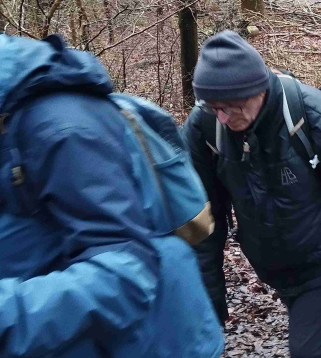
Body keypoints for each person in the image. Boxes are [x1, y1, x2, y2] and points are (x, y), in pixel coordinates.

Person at [0, 34, 224, 358]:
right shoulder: (18, 124)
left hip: (154, 341)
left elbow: (126, 272)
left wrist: (10, 317)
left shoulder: (65, 130)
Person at [183, 31, 321, 358]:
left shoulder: (312, 113)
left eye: (231, 107)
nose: (222, 117)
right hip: (271, 260)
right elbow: (200, 213)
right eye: (214, 108)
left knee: (305, 347)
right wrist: (209, 289)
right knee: (317, 332)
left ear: (258, 90)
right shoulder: (204, 127)